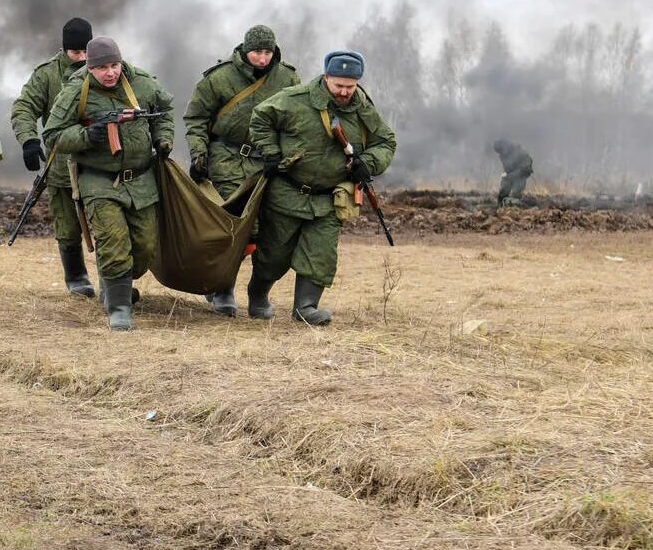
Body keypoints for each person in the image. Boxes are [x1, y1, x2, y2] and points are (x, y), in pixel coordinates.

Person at [248, 50, 397, 326]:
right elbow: (260, 118)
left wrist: (369, 163)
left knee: (320, 254)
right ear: (326, 77)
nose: (344, 92)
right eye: (338, 85)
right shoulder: (295, 100)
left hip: (330, 198)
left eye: (350, 87)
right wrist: (270, 152)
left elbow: (386, 142)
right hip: (288, 193)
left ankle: (305, 307)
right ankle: (257, 296)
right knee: (273, 256)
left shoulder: (363, 109)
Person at [43, 37, 176, 331]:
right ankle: (118, 307)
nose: (110, 73)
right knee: (114, 244)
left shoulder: (141, 83)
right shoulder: (76, 91)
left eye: (114, 65)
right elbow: (52, 136)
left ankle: (115, 281)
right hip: (99, 180)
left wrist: (163, 140)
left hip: (141, 180)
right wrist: (88, 136)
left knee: (144, 248)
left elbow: (164, 113)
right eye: (102, 67)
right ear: (90, 68)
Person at [184, 25, 301, 315]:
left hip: (269, 161)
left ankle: (259, 293)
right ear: (244, 49)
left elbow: (297, 120)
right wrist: (199, 153)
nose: (262, 58)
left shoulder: (287, 78)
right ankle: (223, 289)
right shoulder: (219, 78)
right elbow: (197, 118)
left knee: (270, 230)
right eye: (256, 52)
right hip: (228, 157)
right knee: (233, 225)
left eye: (267, 52)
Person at [12, 17, 95, 296]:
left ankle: (113, 283)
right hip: (61, 165)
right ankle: (76, 277)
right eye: (76, 52)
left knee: (110, 225)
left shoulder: (105, 67)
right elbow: (24, 108)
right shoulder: (47, 74)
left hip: (101, 164)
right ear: (65, 49)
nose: (82, 58)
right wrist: (29, 140)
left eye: (86, 52)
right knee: (67, 225)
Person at [493, 139, 533, 206]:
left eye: (501, 150)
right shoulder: (502, 155)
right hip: (510, 175)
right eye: (499, 152)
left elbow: (526, 167)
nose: (501, 153)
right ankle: (501, 205)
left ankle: (522, 205)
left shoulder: (520, 152)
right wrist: (506, 175)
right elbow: (507, 169)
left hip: (521, 174)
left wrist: (515, 174)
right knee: (502, 193)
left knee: (515, 195)